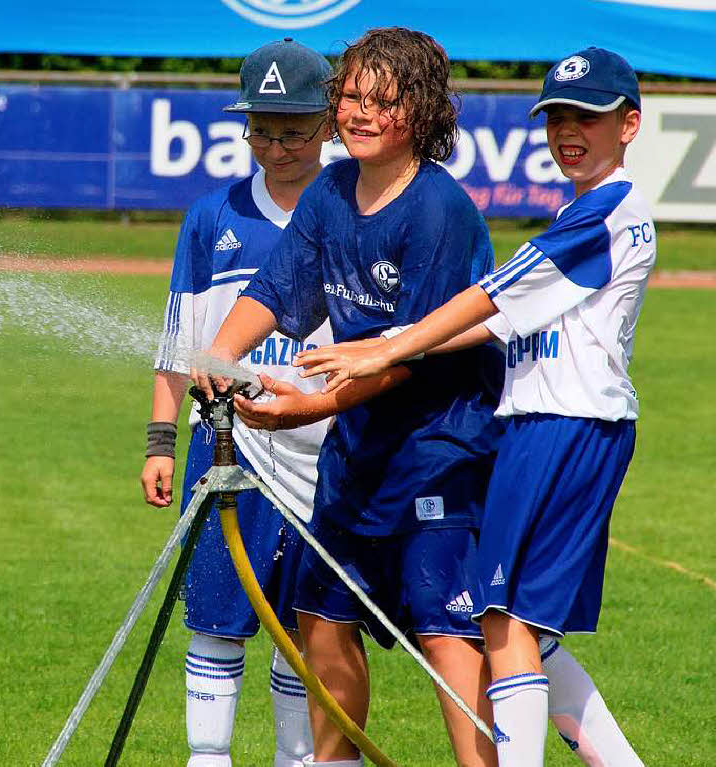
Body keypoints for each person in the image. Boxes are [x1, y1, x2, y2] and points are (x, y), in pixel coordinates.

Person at [295, 46, 653, 767]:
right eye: (556, 116)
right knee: (531, 634)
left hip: (565, 428)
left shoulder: (603, 215)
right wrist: (391, 344)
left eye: (588, 116)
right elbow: (489, 321)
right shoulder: (585, 211)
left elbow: (489, 297)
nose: (568, 130)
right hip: (541, 428)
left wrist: (381, 350)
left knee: (502, 623)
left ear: (630, 125)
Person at [199, 27, 502, 767]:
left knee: (446, 632)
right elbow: (276, 288)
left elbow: (408, 356)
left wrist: (300, 407)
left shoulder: (439, 208)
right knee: (321, 614)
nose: (359, 113)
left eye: (382, 100)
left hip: (439, 451)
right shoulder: (331, 192)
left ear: (422, 111)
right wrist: (220, 354)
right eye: (350, 97)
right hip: (359, 448)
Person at [140, 38, 336, 767]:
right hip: (227, 447)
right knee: (217, 616)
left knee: (302, 623)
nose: (277, 146)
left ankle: (296, 757)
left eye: (294, 129)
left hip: (323, 449)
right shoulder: (210, 216)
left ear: (329, 125)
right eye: (262, 129)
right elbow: (176, 341)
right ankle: (208, 757)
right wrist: (162, 441)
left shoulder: (353, 210)